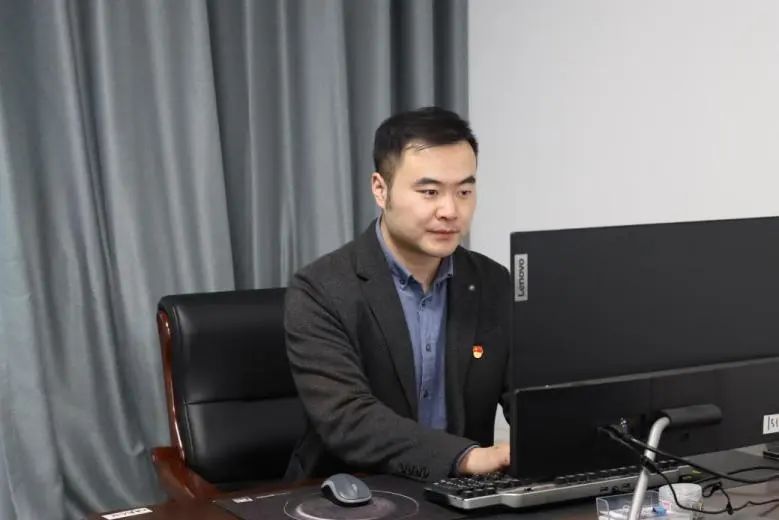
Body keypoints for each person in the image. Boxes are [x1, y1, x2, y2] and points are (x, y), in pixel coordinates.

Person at [284, 106, 512, 483]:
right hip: (351, 491)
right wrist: (466, 457)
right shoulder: (320, 290)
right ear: (380, 189)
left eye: (464, 191)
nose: (450, 210)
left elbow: (529, 393)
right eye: (429, 192)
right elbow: (349, 419)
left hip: (461, 496)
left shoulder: (492, 282)